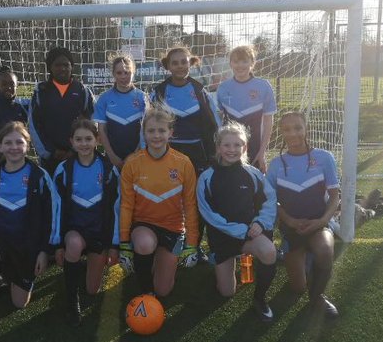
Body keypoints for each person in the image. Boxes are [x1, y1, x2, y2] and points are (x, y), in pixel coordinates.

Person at [0, 121, 56, 339]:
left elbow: (52, 215)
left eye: (19, 142)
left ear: (28, 146)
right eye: (8, 142)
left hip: (27, 245)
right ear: (0, 147)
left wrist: (44, 251)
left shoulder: (40, 176)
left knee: (19, 303)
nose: (14, 147)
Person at [196, 122, 277, 322]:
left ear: (245, 147)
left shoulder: (253, 173)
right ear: (218, 147)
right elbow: (208, 213)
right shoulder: (206, 177)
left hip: (251, 233)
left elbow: (269, 201)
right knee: (226, 292)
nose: (232, 149)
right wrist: (240, 230)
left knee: (269, 251)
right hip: (223, 238)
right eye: (226, 145)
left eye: (237, 145)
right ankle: (220, 262)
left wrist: (260, 223)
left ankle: (260, 300)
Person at [119, 104, 199, 300]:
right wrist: (124, 243)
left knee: (164, 290)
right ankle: (146, 293)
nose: (156, 136)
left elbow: (190, 205)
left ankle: (154, 261)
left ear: (170, 132)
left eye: (161, 130)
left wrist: (192, 243)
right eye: (151, 131)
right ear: (144, 133)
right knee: (145, 244)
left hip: (173, 228)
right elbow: (126, 206)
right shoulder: (132, 163)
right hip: (144, 225)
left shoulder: (183, 163)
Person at [265, 110, 340, 318]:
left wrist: (322, 221)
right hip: (291, 228)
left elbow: (335, 196)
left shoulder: (324, 157)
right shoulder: (276, 164)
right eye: (287, 129)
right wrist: (289, 220)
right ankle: (305, 257)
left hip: (318, 225)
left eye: (298, 128)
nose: (293, 133)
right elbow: (270, 200)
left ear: (306, 128)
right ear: (281, 132)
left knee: (324, 249)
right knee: (298, 287)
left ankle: (317, 298)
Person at [51, 118, 120, 324]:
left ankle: (80, 267)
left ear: (97, 140)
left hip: (99, 233)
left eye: (88, 139)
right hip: (75, 231)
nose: (84, 144)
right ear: (71, 142)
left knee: (92, 290)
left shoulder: (108, 169)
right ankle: (72, 302)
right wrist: (57, 244)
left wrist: (114, 245)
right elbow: (56, 209)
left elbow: (117, 209)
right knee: (73, 244)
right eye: (79, 139)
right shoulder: (64, 169)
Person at [148, 44, 217, 174]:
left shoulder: (200, 91)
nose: (180, 66)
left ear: (190, 63)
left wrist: (215, 153)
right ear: (168, 66)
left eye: (184, 62)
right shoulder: (159, 93)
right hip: (167, 151)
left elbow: (215, 124)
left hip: (198, 153)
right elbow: (147, 126)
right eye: (175, 63)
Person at [29, 46, 95, 175]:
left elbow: (92, 122)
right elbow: (34, 125)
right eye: (57, 65)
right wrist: (50, 151)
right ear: (50, 67)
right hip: (50, 159)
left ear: (72, 66)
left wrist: (76, 148)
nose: (62, 68)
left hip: (78, 155)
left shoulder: (83, 91)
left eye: (66, 65)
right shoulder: (41, 91)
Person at [214, 45, 277, 173]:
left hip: (255, 149)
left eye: (244, 61)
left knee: (253, 182)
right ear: (230, 64)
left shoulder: (263, 86)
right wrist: (219, 149)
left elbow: (268, 121)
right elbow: (218, 121)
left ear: (252, 63)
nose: (240, 65)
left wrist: (262, 152)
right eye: (236, 61)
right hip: (230, 150)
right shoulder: (223, 88)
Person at [93, 53, 148, 170]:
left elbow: (147, 130)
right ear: (113, 74)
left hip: (138, 156)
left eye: (127, 72)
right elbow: (102, 130)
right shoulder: (104, 98)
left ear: (133, 72)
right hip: (113, 158)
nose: (123, 76)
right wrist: (112, 156)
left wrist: (135, 154)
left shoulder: (143, 98)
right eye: (119, 73)